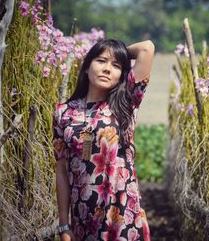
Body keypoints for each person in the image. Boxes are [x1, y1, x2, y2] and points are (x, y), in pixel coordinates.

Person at [52, 38, 155, 241]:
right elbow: (62, 172)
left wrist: (119, 52)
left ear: (121, 74)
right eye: (101, 61)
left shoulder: (126, 102)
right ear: (87, 66)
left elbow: (147, 47)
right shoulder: (63, 113)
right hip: (84, 216)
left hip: (123, 215)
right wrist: (64, 224)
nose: (107, 69)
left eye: (116, 65)